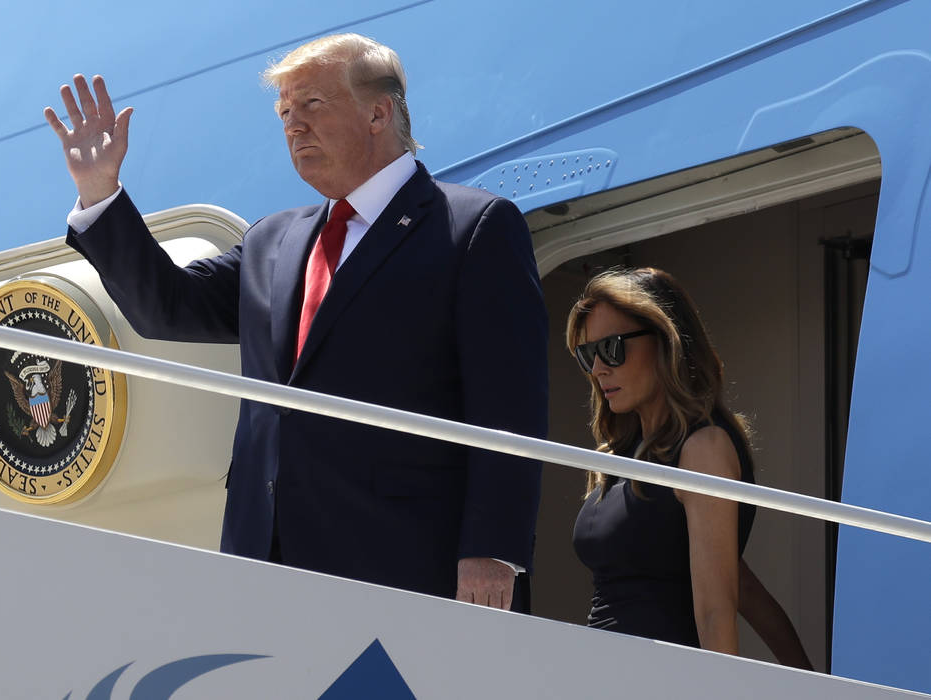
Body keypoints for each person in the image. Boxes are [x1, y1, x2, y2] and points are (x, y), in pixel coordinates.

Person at [43, 33, 548, 610]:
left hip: (410, 567)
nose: (293, 126)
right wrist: (100, 190)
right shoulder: (272, 241)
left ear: (378, 112)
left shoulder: (472, 228)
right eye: (285, 112)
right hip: (267, 566)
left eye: (311, 105)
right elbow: (166, 306)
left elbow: (510, 405)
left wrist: (493, 549)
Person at [567, 267, 810, 659]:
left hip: (658, 677)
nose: (597, 369)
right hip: (599, 673)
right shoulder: (622, 454)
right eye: (587, 354)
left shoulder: (703, 448)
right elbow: (737, 580)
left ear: (667, 342)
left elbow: (717, 609)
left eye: (611, 348)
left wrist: (807, 678)